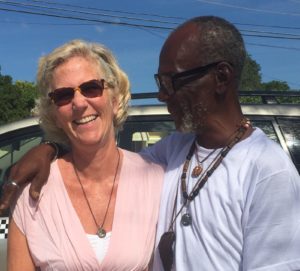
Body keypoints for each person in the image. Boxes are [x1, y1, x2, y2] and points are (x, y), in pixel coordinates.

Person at [1, 16, 300, 271]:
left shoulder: (267, 170)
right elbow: (96, 157)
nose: (162, 95)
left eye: (171, 81)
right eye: (63, 96)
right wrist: (48, 148)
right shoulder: (173, 154)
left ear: (221, 77)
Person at [6, 39, 164, 270]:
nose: (79, 102)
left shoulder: (156, 180)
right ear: (54, 114)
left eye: (91, 88)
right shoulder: (33, 193)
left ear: (115, 99)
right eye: (63, 95)